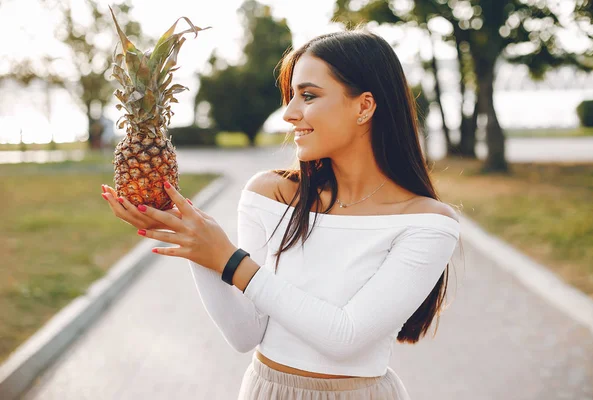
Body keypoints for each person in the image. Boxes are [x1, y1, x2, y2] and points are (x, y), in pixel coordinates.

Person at [101, 27, 461, 400]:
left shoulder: (427, 223)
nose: (289, 114)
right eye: (290, 97)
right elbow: (245, 333)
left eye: (308, 95)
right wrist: (196, 244)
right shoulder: (268, 195)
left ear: (364, 106)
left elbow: (345, 337)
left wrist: (228, 259)